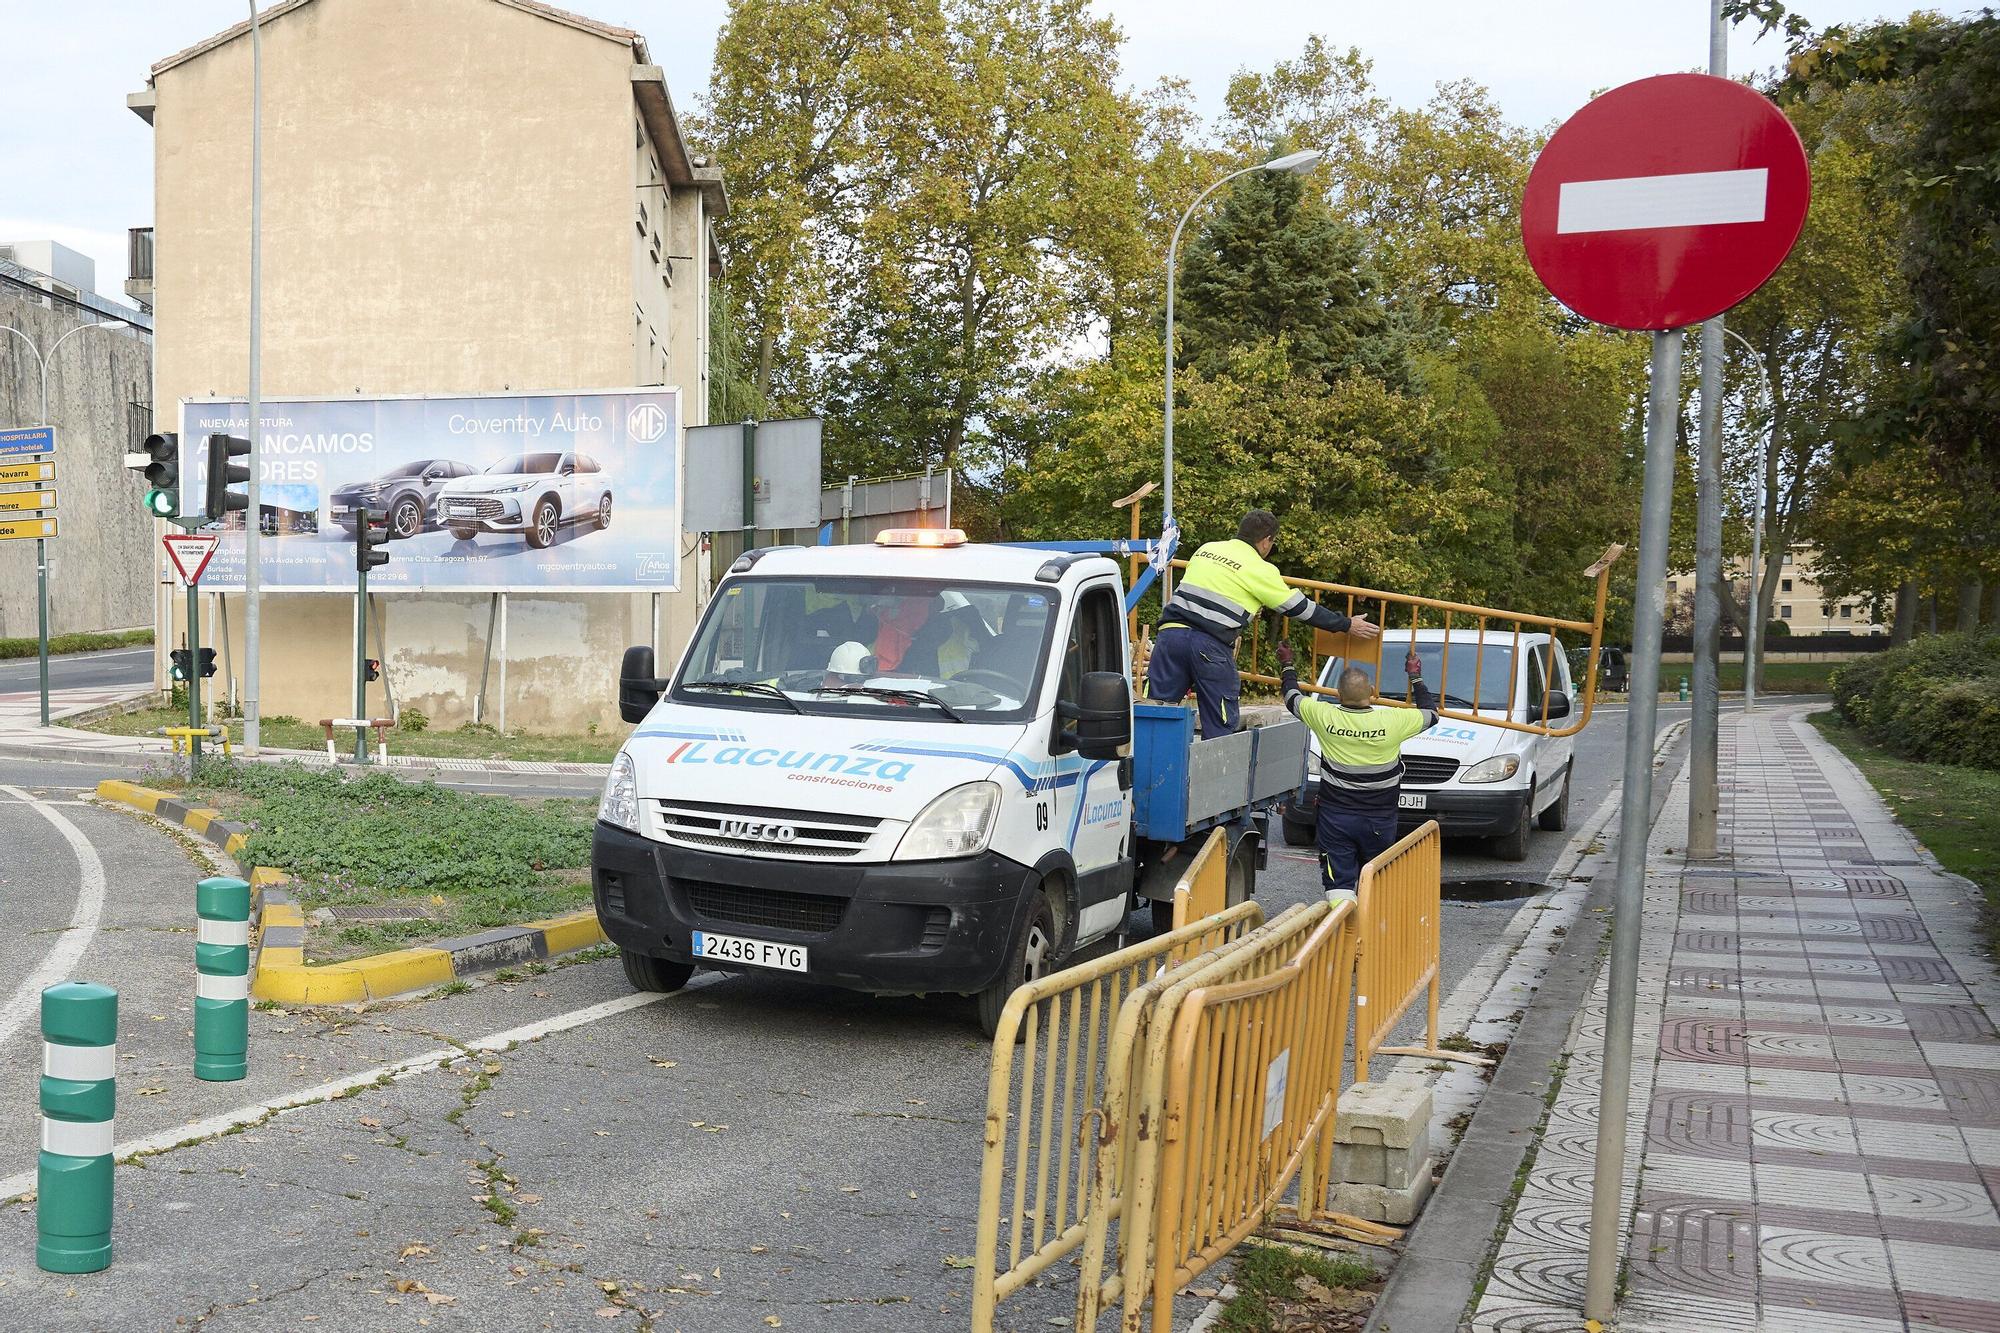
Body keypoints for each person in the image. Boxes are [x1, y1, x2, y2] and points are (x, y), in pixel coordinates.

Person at [1147, 509, 1378, 737]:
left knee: (1154, 715)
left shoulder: (1207, 549)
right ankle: (1214, 774)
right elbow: (1299, 608)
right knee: (1220, 726)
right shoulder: (1260, 569)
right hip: (1210, 645)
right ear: (1266, 540)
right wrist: (1346, 624)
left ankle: (1147, 771)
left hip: (1169, 637)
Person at [1275, 637, 1437, 904]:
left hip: (1335, 817)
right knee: (1376, 877)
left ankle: (1343, 929)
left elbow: (1292, 698)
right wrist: (1415, 676)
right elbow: (1431, 713)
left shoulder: (1324, 716)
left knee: (1339, 883)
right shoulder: (1393, 720)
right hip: (1379, 819)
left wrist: (1287, 664)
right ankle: (1372, 930)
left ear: (1338, 695)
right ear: (1372, 691)